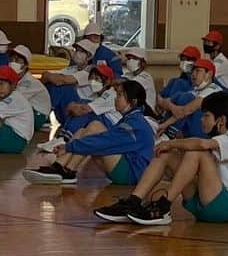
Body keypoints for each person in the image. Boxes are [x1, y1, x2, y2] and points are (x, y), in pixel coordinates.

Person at [95, 91, 228, 226]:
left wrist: (172, 143)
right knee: (166, 154)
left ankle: (164, 205)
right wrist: (169, 148)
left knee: (196, 152)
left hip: (226, 207)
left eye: (206, 116)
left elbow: (202, 145)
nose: (201, 120)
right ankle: (133, 202)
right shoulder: (219, 138)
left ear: (221, 120)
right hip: (205, 203)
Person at [24, 79, 156, 187]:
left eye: (120, 95)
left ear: (133, 102)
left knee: (95, 128)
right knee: (84, 130)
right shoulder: (130, 118)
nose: (116, 99)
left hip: (129, 174)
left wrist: (69, 147)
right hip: (124, 167)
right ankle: (62, 167)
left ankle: (67, 170)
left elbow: (105, 142)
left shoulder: (134, 124)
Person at [156, 56, 222, 139]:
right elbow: (175, 108)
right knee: (181, 96)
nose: (193, 74)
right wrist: (164, 124)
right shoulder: (196, 90)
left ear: (209, 74)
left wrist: (169, 108)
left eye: (198, 71)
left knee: (186, 98)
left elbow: (185, 111)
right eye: (193, 71)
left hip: (208, 135)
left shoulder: (213, 90)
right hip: (195, 130)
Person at [43, 38, 99, 126]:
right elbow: (46, 75)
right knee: (50, 85)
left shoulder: (91, 71)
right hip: (67, 106)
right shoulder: (72, 68)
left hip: (83, 105)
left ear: (89, 56)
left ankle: (44, 113)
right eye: (76, 50)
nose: (77, 53)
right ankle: (43, 111)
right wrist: (49, 76)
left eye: (81, 52)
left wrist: (52, 77)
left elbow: (62, 80)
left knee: (62, 87)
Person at [60, 62, 119, 134]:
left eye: (97, 79)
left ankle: (67, 135)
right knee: (82, 105)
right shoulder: (97, 94)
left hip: (111, 125)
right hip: (101, 122)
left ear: (107, 82)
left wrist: (72, 106)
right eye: (92, 78)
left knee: (86, 111)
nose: (93, 81)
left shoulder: (110, 94)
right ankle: (65, 132)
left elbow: (87, 109)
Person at [8, 44, 52, 131]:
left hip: (38, 116)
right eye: (12, 59)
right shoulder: (15, 79)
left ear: (25, 65)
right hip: (28, 113)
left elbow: (13, 100)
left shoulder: (29, 82)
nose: (13, 62)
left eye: (17, 60)